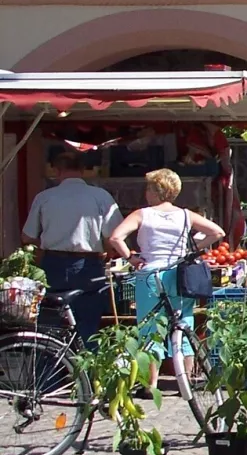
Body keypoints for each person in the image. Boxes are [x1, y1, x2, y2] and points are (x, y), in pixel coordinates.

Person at [104, 169, 225, 363]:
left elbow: (115, 238)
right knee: (185, 324)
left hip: (151, 276)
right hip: (179, 275)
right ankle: (185, 381)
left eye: (148, 189)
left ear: (154, 191)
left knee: (150, 331)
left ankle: (151, 384)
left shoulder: (141, 214)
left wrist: (131, 258)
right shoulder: (186, 215)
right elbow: (217, 233)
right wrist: (189, 250)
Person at [21, 150, 123, 346]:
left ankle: (50, 373)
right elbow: (114, 236)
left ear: (56, 170)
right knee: (88, 323)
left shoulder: (44, 197)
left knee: (50, 324)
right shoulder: (100, 196)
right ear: (83, 170)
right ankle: (85, 372)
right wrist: (107, 252)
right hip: (89, 265)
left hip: (52, 264)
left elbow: (27, 236)